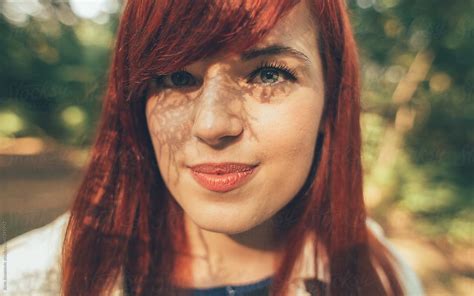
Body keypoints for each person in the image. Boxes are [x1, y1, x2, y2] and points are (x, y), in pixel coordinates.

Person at [2, 0, 424, 295]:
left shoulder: (385, 279)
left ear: (331, 104)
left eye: (268, 74)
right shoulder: (27, 278)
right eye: (177, 78)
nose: (211, 125)